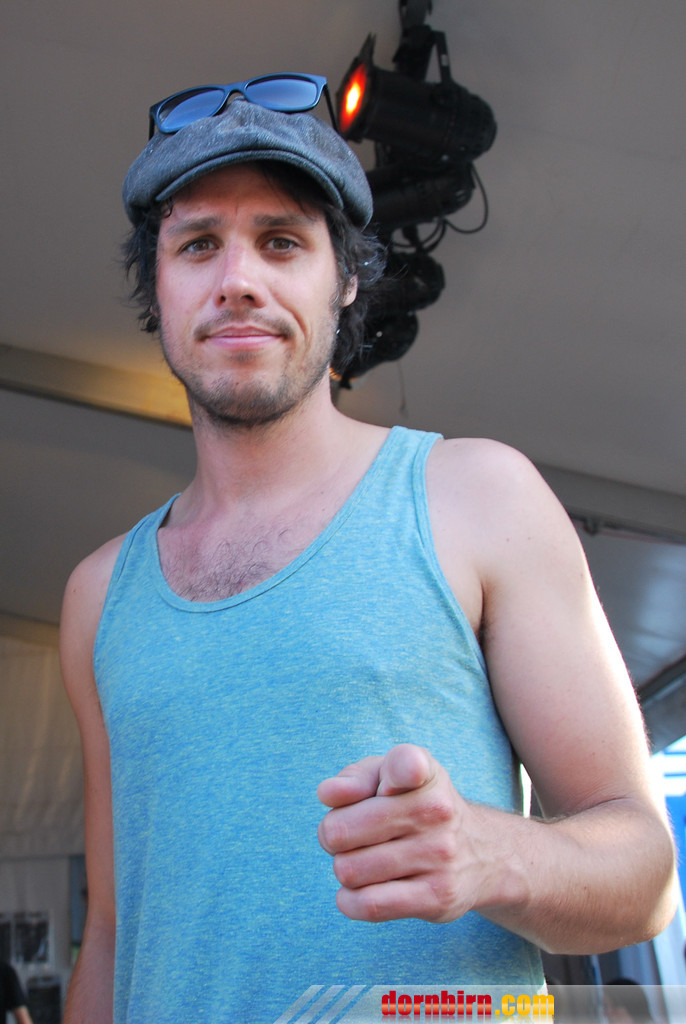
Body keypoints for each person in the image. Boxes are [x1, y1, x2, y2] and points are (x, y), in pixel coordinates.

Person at [60, 79, 676, 1024]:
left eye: (282, 241)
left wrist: (492, 853)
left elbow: (646, 874)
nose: (239, 279)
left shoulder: (478, 497)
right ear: (160, 288)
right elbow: (111, 934)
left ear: (345, 279)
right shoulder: (98, 595)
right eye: (198, 245)